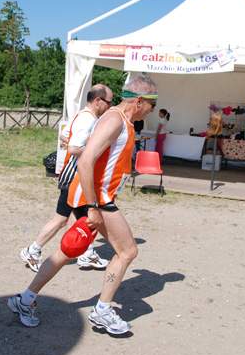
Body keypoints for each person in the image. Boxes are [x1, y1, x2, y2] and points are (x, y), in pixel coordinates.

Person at [8, 74, 158, 335]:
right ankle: (102, 310)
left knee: (70, 250)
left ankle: (25, 299)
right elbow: (86, 160)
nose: (153, 110)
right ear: (141, 101)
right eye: (152, 105)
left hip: (98, 197)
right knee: (127, 252)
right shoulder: (114, 119)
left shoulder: (124, 121)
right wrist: (92, 207)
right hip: (98, 199)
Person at [19, 84, 113, 272]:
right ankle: (33, 250)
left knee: (80, 217)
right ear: (97, 100)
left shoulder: (83, 115)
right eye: (108, 102)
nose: (110, 107)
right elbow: (73, 148)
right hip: (75, 177)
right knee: (63, 219)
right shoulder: (88, 120)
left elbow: (64, 136)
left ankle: (85, 253)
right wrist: (96, 153)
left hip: (76, 175)